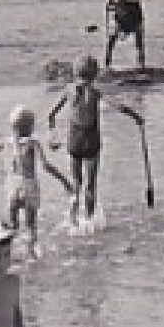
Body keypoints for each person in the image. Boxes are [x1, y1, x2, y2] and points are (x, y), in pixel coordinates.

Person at [0, 106, 73, 259]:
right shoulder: (32, 143)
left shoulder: (6, 143)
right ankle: (32, 255)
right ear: (30, 127)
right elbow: (46, 166)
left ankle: (10, 255)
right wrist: (64, 181)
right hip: (29, 186)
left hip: (12, 187)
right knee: (31, 226)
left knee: (13, 225)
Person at [47, 55, 143, 230]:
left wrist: (52, 136)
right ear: (95, 74)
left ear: (75, 72)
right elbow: (118, 106)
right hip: (91, 140)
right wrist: (135, 116)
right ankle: (89, 222)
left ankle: (73, 221)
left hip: (74, 140)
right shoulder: (96, 92)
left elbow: (51, 114)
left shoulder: (69, 91)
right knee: (91, 184)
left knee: (76, 183)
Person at [103, 0, 146, 68]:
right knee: (139, 43)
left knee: (110, 42)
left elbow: (108, 10)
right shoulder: (116, 1)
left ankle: (107, 65)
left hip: (128, 8)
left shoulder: (114, 0)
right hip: (130, 8)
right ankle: (141, 65)